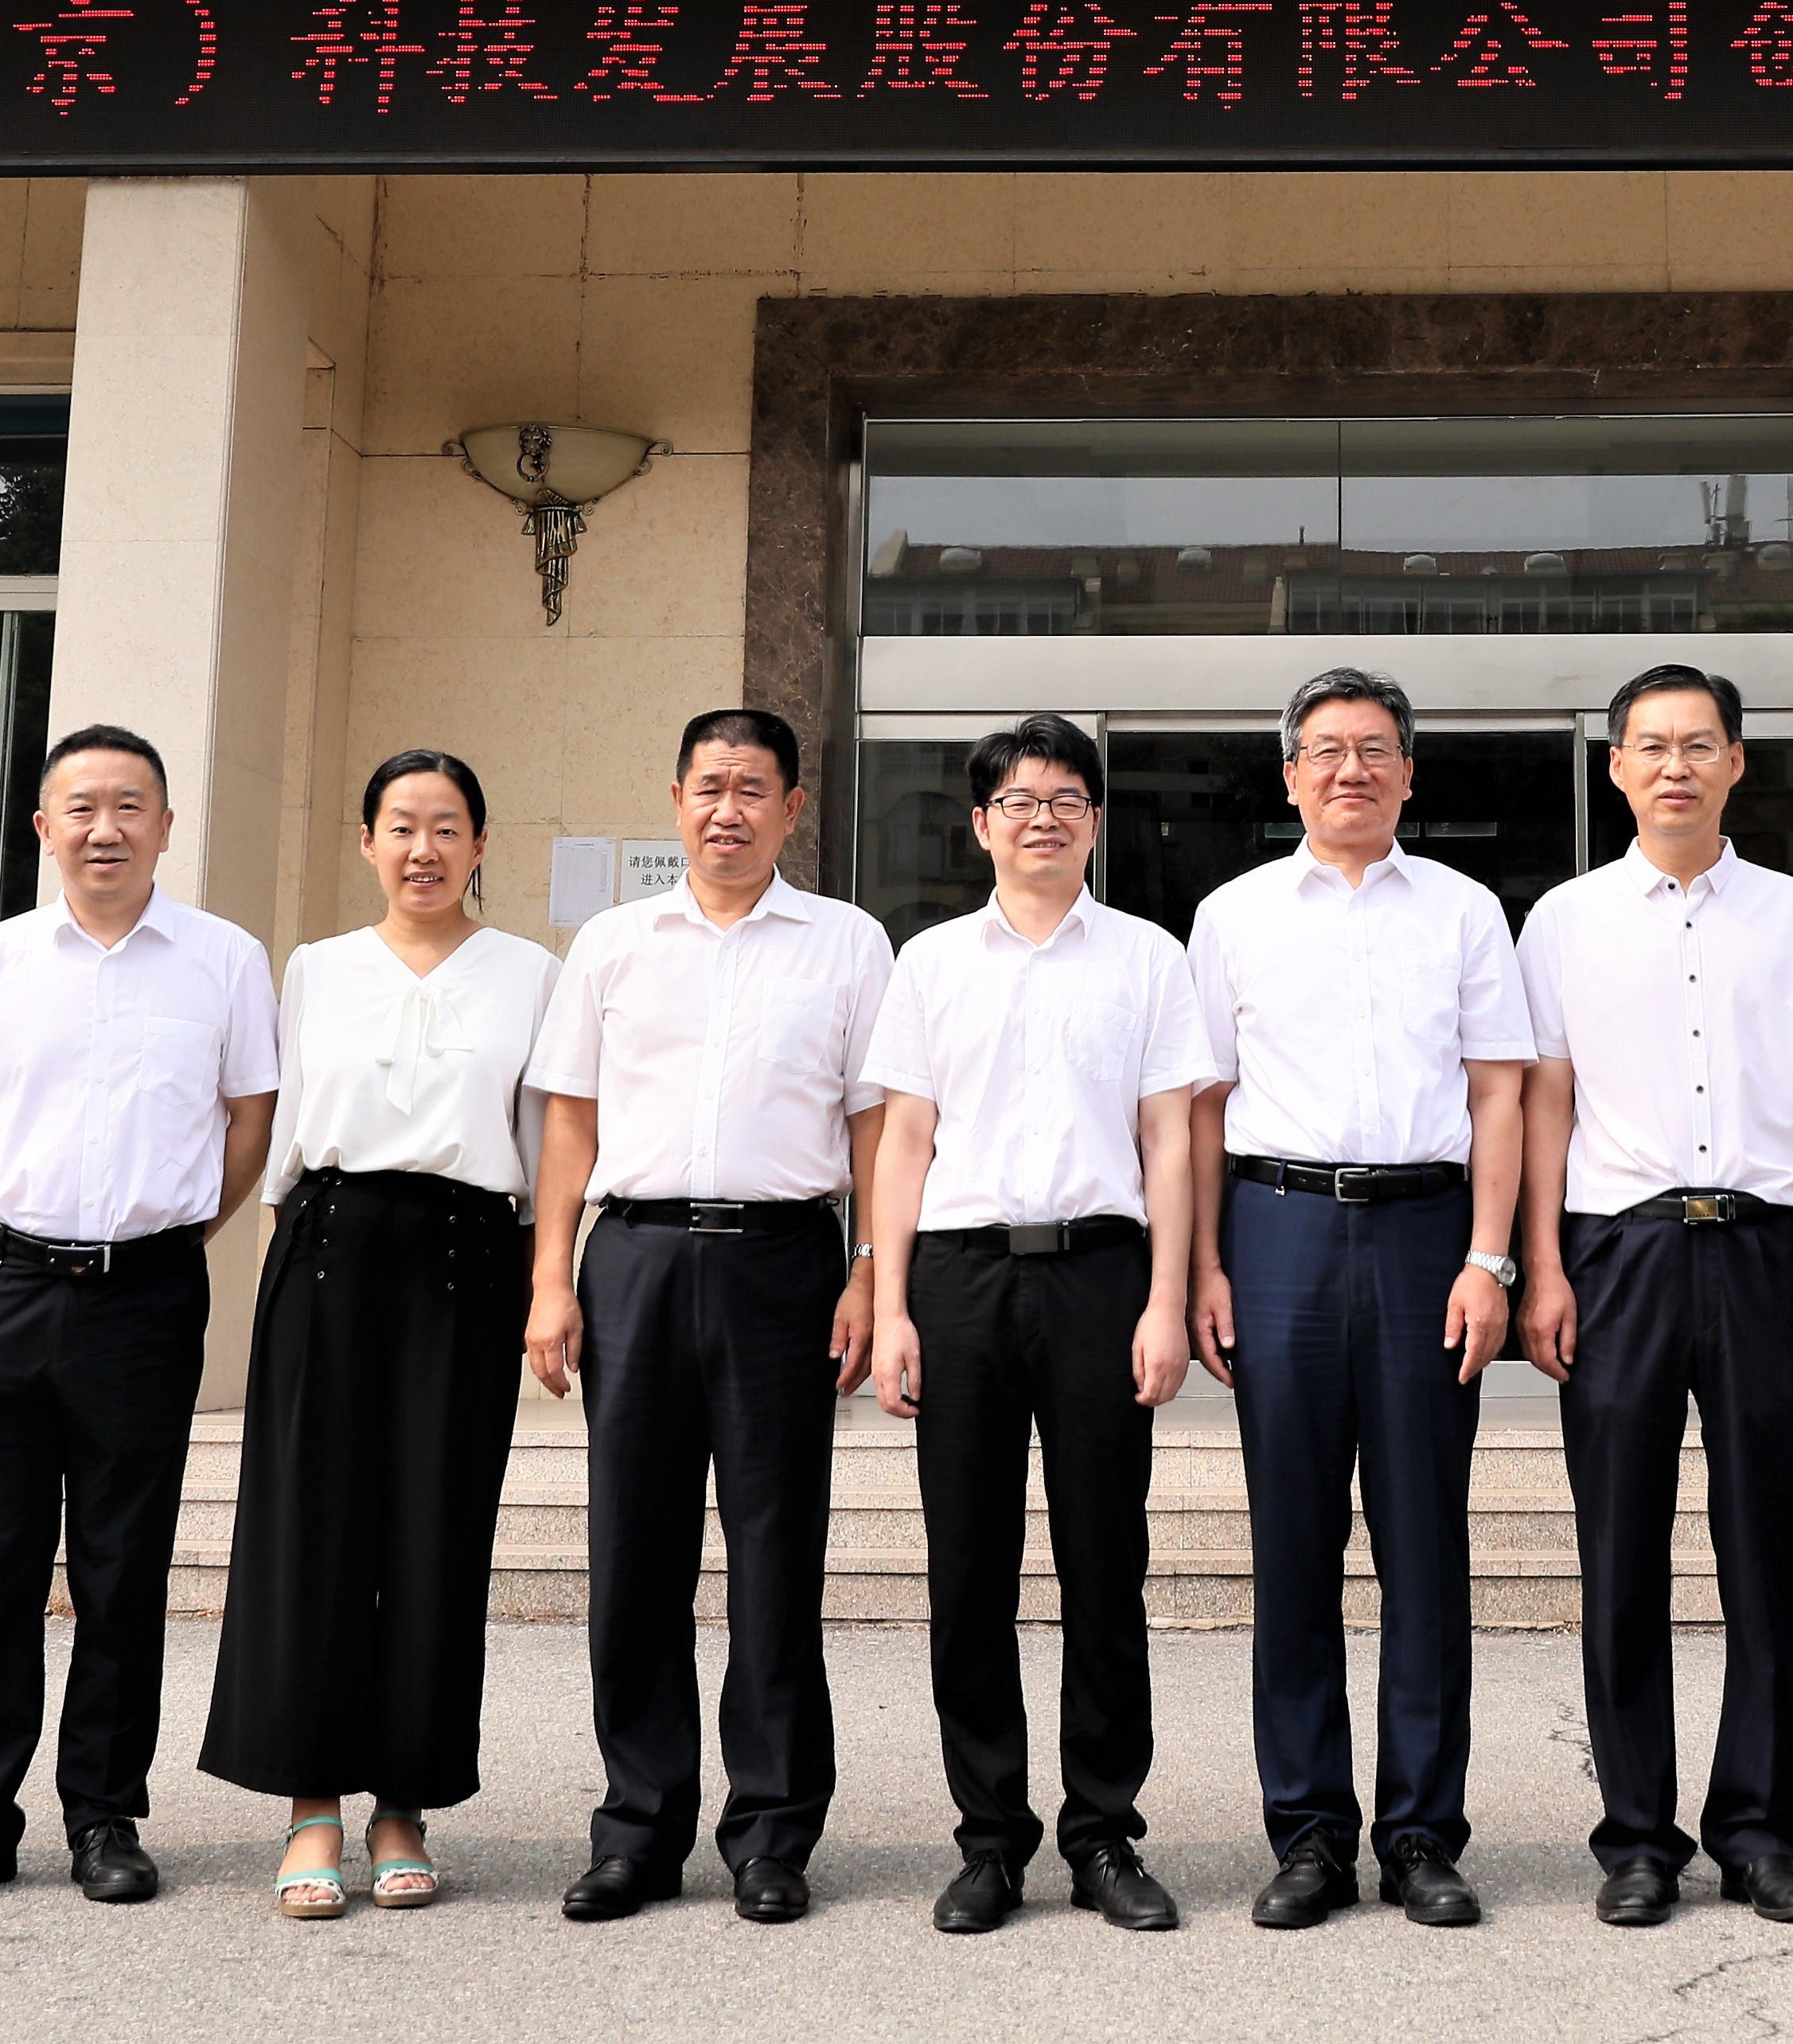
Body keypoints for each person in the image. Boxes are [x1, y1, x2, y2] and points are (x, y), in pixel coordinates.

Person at [0, 724, 279, 1909]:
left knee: (123, 1567)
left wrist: (171, 1231)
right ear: (43, 828)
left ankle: (105, 1812)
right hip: (5, 1285)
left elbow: (250, 1122)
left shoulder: (223, 959)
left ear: (165, 824)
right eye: (81, 807)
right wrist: (7, 1219)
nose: (105, 828)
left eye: (129, 806)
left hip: (146, 1297)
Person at [526, 708, 891, 1927]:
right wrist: (551, 1276)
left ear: (792, 807)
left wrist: (869, 1269)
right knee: (633, 1553)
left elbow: (876, 1129)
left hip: (785, 1262)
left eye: (752, 788)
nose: (727, 808)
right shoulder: (613, 943)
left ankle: (773, 1831)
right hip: (633, 1255)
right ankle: (638, 1828)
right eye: (708, 786)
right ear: (677, 798)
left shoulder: (847, 944)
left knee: (776, 1554)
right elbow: (569, 1120)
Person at [1516, 662, 1793, 1931]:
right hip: (1619, 1252)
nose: (1675, 764)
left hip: (1767, 1250)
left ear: (1735, 762)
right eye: (1651, 744)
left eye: (1699, 742)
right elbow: (1544, 1100)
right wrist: (1541, 1265)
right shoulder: (1562, 921)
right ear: (1616, 766)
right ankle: (1636, 1840)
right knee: (1619, 1552)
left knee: (1763, 1551)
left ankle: (1758, 1832)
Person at [1186, 668, 1530, 1932]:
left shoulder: (1463, 909)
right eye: (1325, 749)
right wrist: (1203, 1263)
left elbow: (1499, 1090)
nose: (1350, 768)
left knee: (1423, 1543)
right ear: (1289, 776)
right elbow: (1201, 1104)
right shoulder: (1231, 914)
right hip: (1276, 1228)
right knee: (1292, 1542)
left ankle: (1422, 1832)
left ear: (1407, 771)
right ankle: (1310, 1832)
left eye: (1374, 748)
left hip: (1426, 1231)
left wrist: (1489, 1259)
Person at [862, 715, 1214, 1935]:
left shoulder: (1147, 958)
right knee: (967, 1570)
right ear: (981, 824)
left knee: (1104, 1564)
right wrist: (892, 1306)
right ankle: (989, 1839)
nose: (1043, 818)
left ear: (1096, 820)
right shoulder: (929, 962)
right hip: (960, 1278)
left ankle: (1104, 1832)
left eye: (1067, 798)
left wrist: (1165, 1298)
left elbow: (1169, 1137)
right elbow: (904, 1140)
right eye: (1018, 800)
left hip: (1101, 1274)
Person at [202, 750, 555, 1917]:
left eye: (447, 827)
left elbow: (543, 1144)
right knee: (308, 1526)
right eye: (401, 826)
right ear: (366, 842)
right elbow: (286, 1136)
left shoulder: (530, 974)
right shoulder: (315, 967)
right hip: (329, 1247)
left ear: (480, 845)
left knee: (434, 1531)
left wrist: (547, 1283)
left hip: (466, 1255)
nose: (423, 849)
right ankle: (310, 1801)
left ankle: (404, 1801)